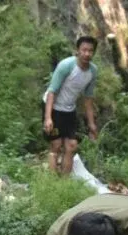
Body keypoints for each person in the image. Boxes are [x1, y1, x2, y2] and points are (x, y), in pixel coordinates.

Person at [42, 36, 99, 175]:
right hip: (53, 108)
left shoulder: (92, 71)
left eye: (90, 51)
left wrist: (91, 124)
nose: (87, 54)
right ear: (77, 51)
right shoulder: (66, 66)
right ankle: (53, 182)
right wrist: (48, 117)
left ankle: (65, 182)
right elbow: (52, 91)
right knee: (55, 145)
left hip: (69, 110)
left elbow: (88, 98)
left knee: (72, 146)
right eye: (84, 50)